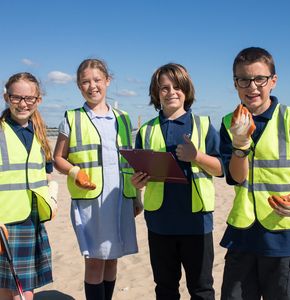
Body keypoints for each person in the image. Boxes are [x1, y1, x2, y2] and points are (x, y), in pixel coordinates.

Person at [131, 63, 223, 300]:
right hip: (160, 222)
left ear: (186, 89)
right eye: (164, 87)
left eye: (176, 86)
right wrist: (138, 182)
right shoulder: (147, 130)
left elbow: (221, 169)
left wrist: (197, 157)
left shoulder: (203, 125)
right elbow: (139, 172)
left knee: (202, 289)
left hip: (196, 222)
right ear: (156, 93)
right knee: (165, 288)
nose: (171, 92)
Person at [53, 58, 143, 300]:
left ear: (108, 81)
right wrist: (75, 172)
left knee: (112, 260)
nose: (92, 86)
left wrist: (137, 197)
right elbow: (58, 158)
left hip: (120, 198)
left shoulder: (123, 118)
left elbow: (131, 162)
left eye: (97, 80)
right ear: (78, 85)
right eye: (85, 81)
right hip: (90, 201)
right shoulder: (71, 118)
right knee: (94, 261)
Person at [219, 47, 290, 300]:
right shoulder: (227, 123)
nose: (252, 87)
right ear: (235, 83)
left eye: (259, 79)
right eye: (243, 79)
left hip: (284, 238)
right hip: (242, 237)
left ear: (273, 81)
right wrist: (240, 144)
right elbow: (236, 177)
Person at [0, 72, 57, 300]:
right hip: (4, 221)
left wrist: (52, 200)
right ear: (6, 97)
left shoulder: (40, 134)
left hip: (31, 219)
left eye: (29, 98)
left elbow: (47, 175)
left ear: (38, 100)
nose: (23, 104)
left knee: (21, 289)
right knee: (8, 288)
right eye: (16, 98)